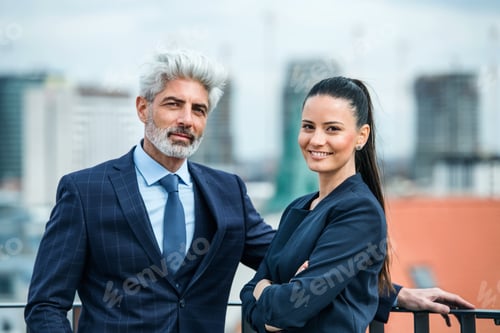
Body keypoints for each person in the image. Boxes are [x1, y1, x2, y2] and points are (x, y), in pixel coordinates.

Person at [25, 49, 473, 333]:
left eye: (198, 109)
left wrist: (393, 294)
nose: (186, 118)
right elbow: (46, 306)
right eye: (173, 104)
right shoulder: (85, 193)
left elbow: (284, 259)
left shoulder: (226, 192)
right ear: (144, 108)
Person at [239, 76, 474, 332]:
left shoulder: (359, 211)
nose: (316, 140)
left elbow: (287, 308)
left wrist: (265, 290)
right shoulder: (298, 207)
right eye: (308, 126)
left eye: (332, 129)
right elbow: (249, 294)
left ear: (361, 136)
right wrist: (270, 294)